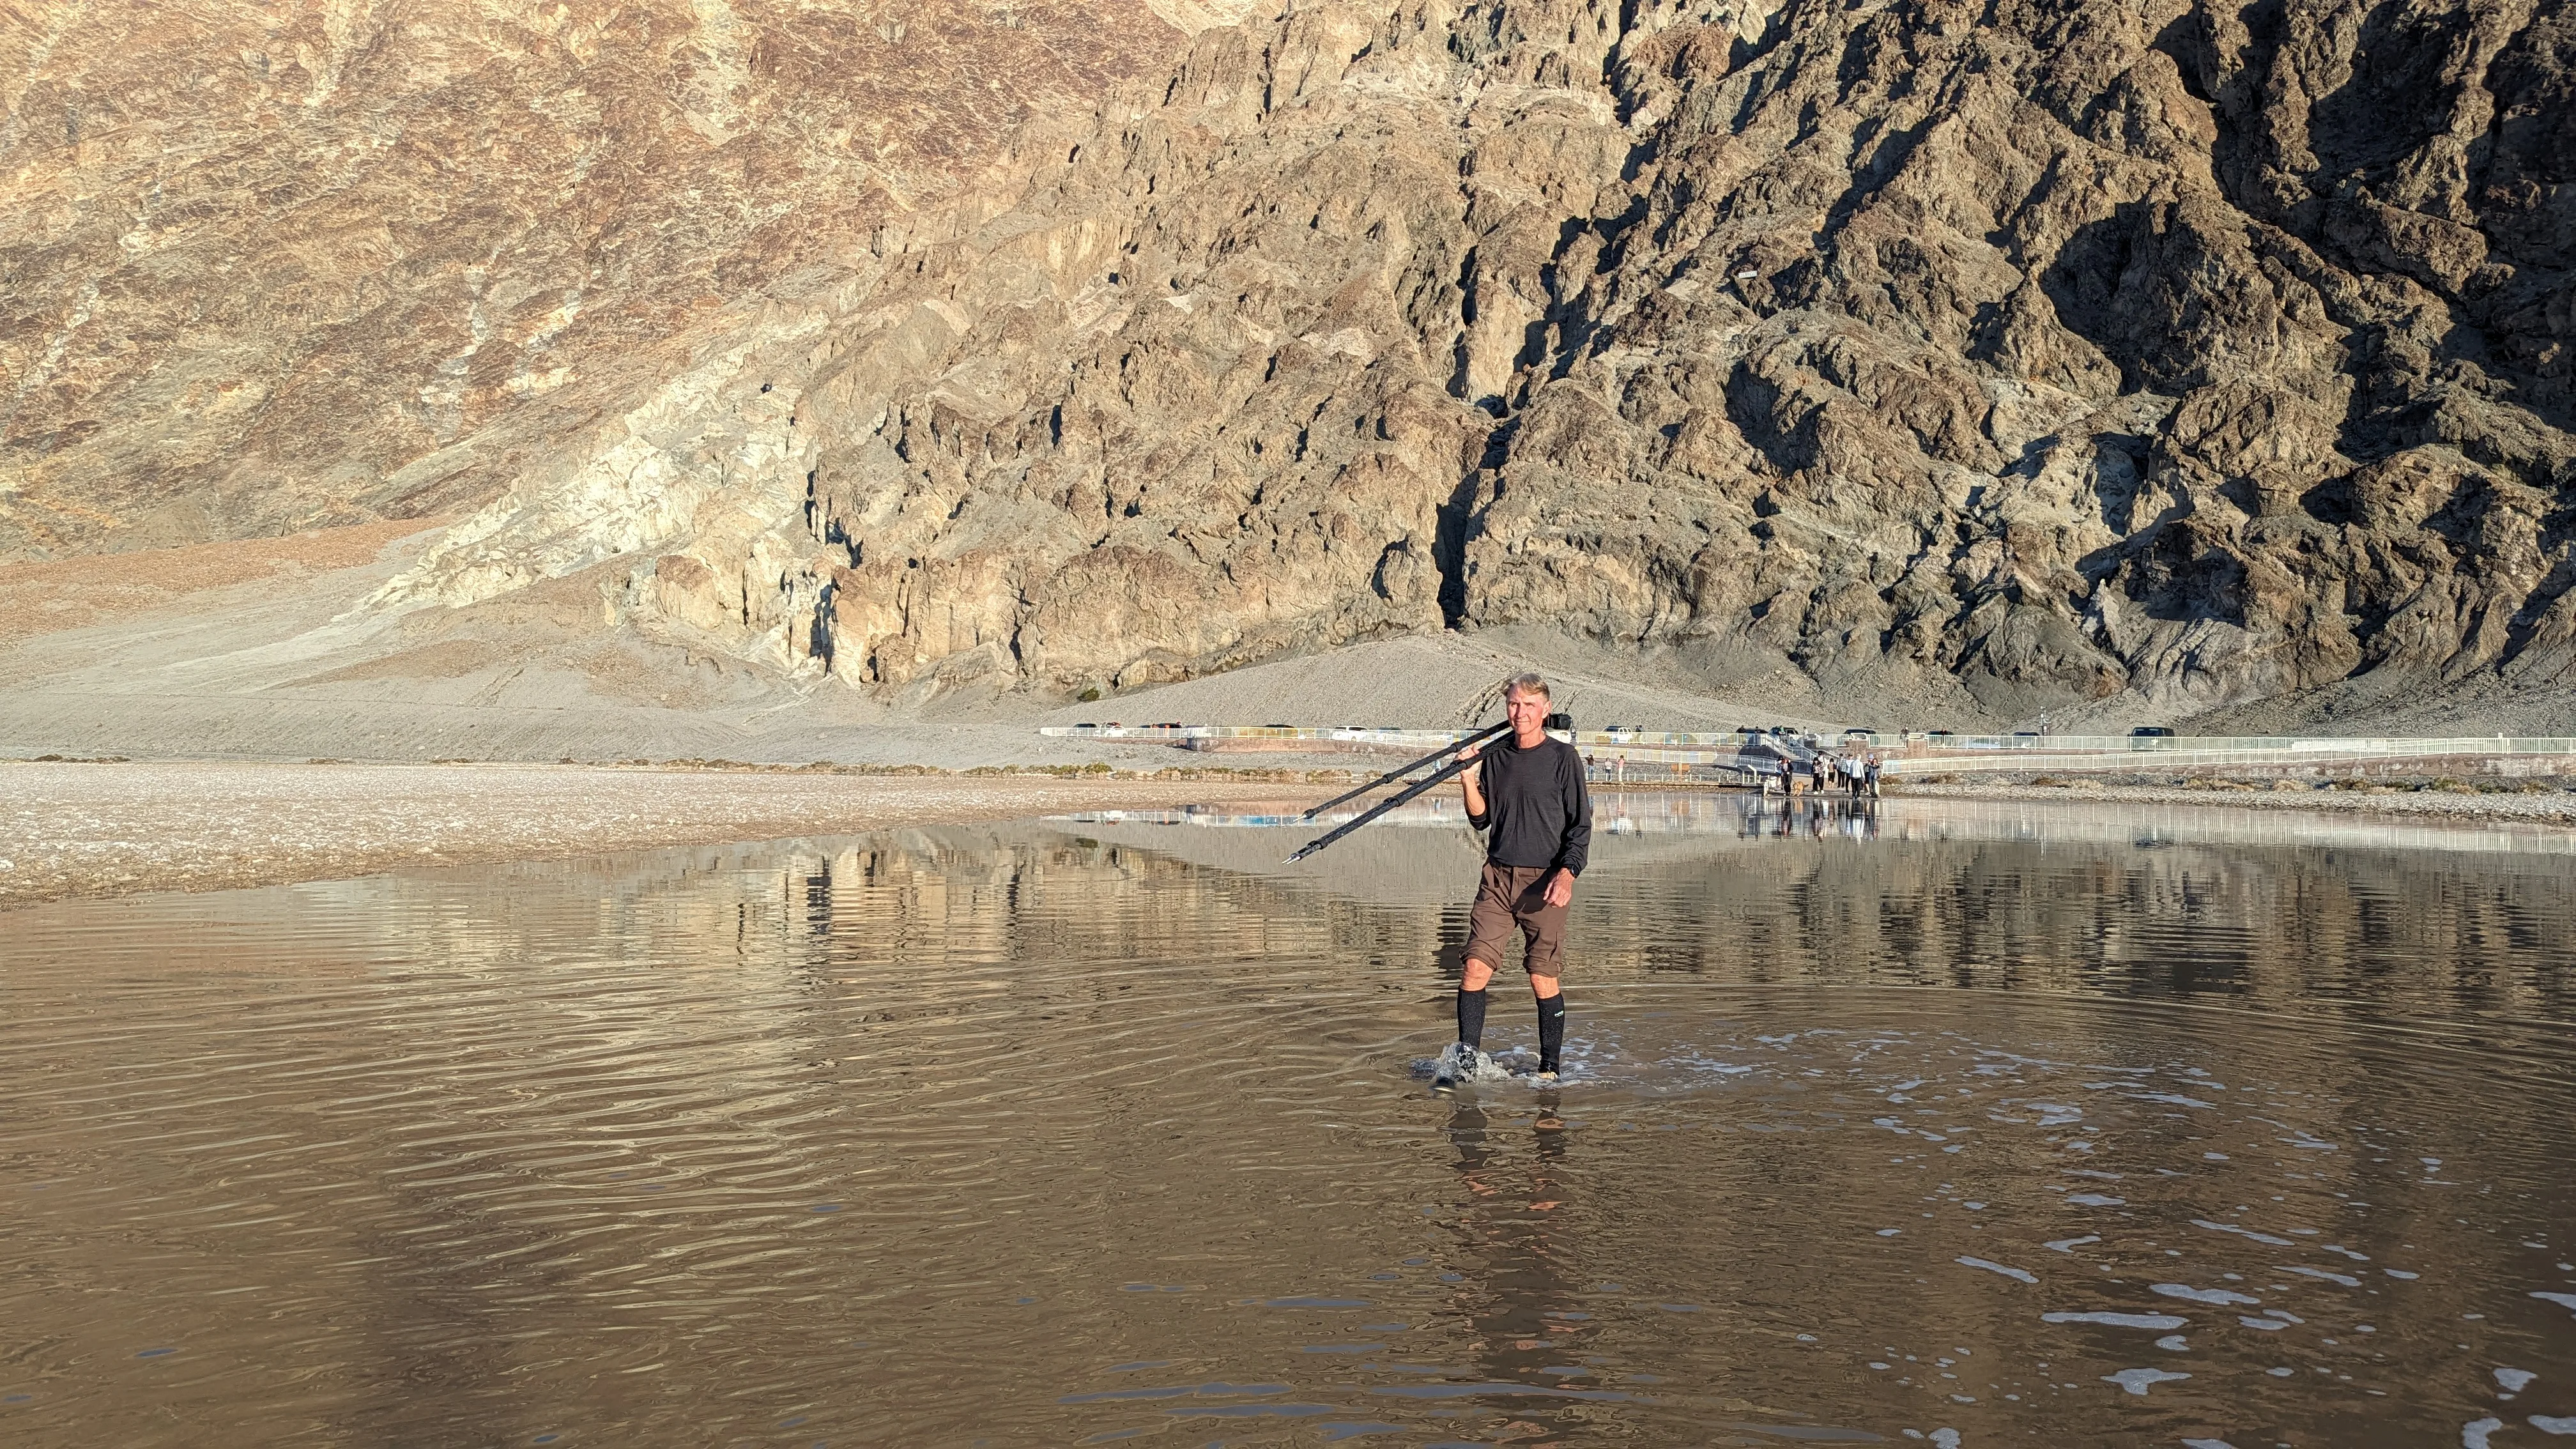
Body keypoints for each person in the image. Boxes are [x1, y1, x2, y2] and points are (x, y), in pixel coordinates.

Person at [1450, 673, 1591, 1082]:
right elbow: (1481, 819)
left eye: (1529, 706)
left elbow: (1580, 827)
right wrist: (1467, 777)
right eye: (1514, 704)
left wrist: (1567, 875)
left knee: (1541, 976)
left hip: (1545, 881)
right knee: (1475, 967)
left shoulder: (1564, 760)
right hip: (1497, 877)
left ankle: (1549, 1069)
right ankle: (1467, 1064)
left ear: (1545, 710)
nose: (1520, 713)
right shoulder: (1496, 756)